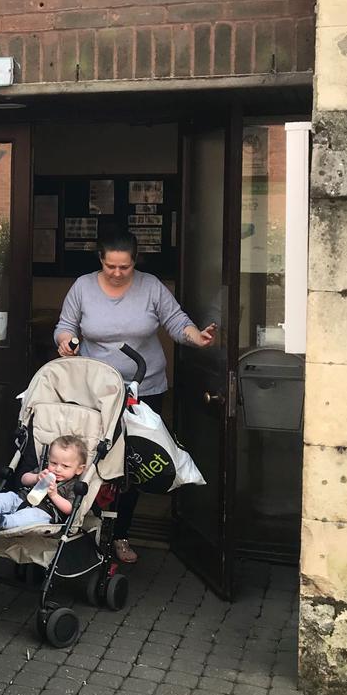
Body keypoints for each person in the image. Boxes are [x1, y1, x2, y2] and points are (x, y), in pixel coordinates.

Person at [54, 230, 215, 565]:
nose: (117, 272)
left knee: (132, 467)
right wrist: (66, 341)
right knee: (93, 461)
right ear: (101, 260)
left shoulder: (151, 286)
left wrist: (196, 338)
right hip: (96, 391)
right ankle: (87, 529)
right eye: (111, 266)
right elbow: (66, 326)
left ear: (134, 261)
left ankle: (121, 535)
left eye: (124, 267)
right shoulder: (83, 287)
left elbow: (176, 321)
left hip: (145, 388)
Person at [0, 434, 87, 530]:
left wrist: (54, 495)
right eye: (54, 463)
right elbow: (23, 479)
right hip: (21, 499)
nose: (57, 469)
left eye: (65, 466)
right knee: (2, 498)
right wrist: (36, 477)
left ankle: (5, 522)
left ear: (79, 469)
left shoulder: (74, 485)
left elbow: (70, 509)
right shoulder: (44, 472)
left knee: (29, 516)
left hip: (44, 512)